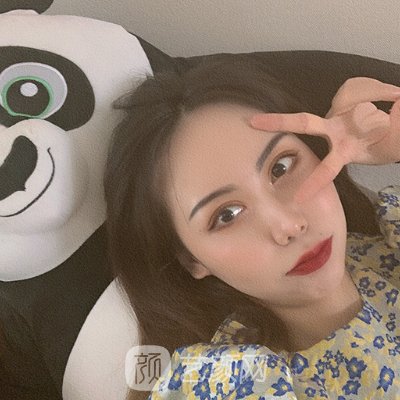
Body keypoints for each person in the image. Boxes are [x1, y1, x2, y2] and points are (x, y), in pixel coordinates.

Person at [104, 59, 400, 400]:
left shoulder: (385, 241)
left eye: (281, 167)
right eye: (227, 215)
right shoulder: (227, 383)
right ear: (191, 259)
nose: (288, 225)